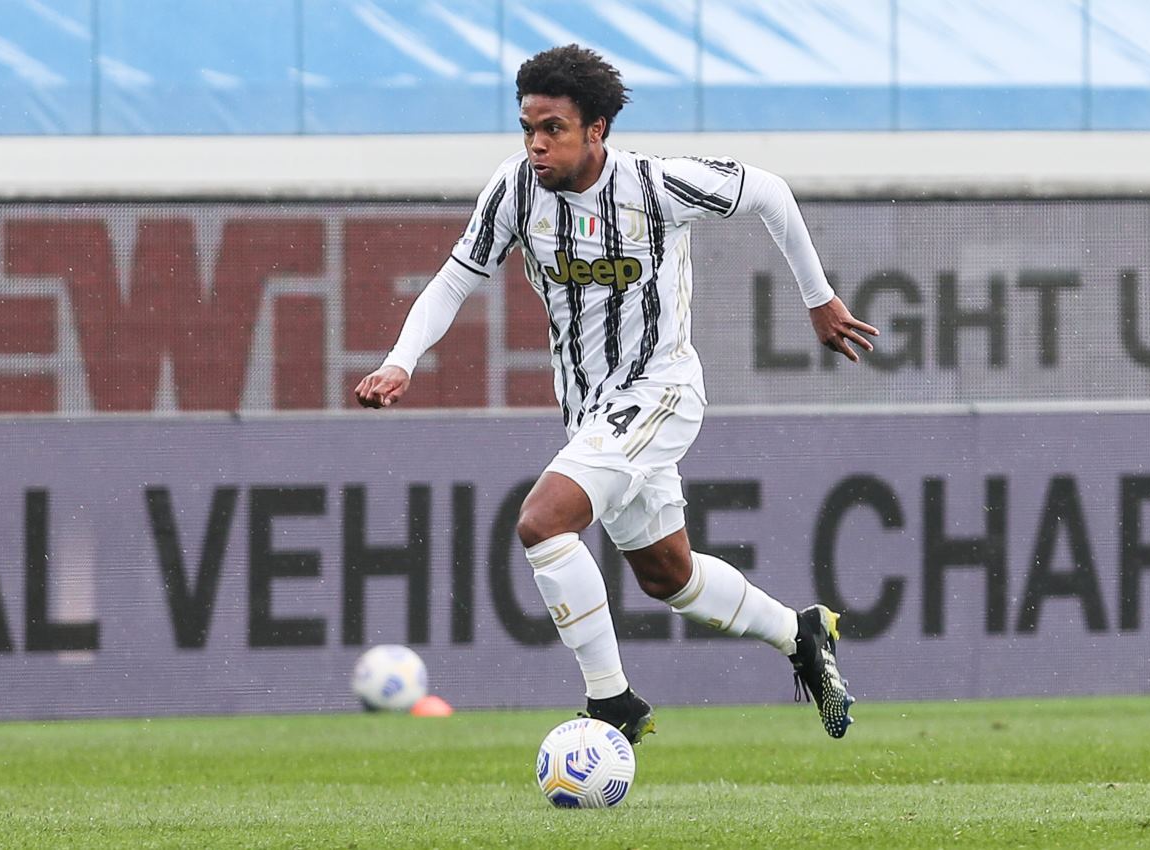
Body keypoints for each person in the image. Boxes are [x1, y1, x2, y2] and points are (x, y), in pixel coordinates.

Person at [355, 44, 878, 743]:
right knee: (669, 577)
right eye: (528, 128)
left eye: (554, 129)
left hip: (660, 390)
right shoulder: (514, 190)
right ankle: (800, 633)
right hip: (590, 412)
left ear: (597, 128)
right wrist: (401, 361)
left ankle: (612, 702)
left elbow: (769, 193)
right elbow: (457, 277)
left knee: (542, 522)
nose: (537, 144)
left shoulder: (657, 186)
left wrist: (818, 298)